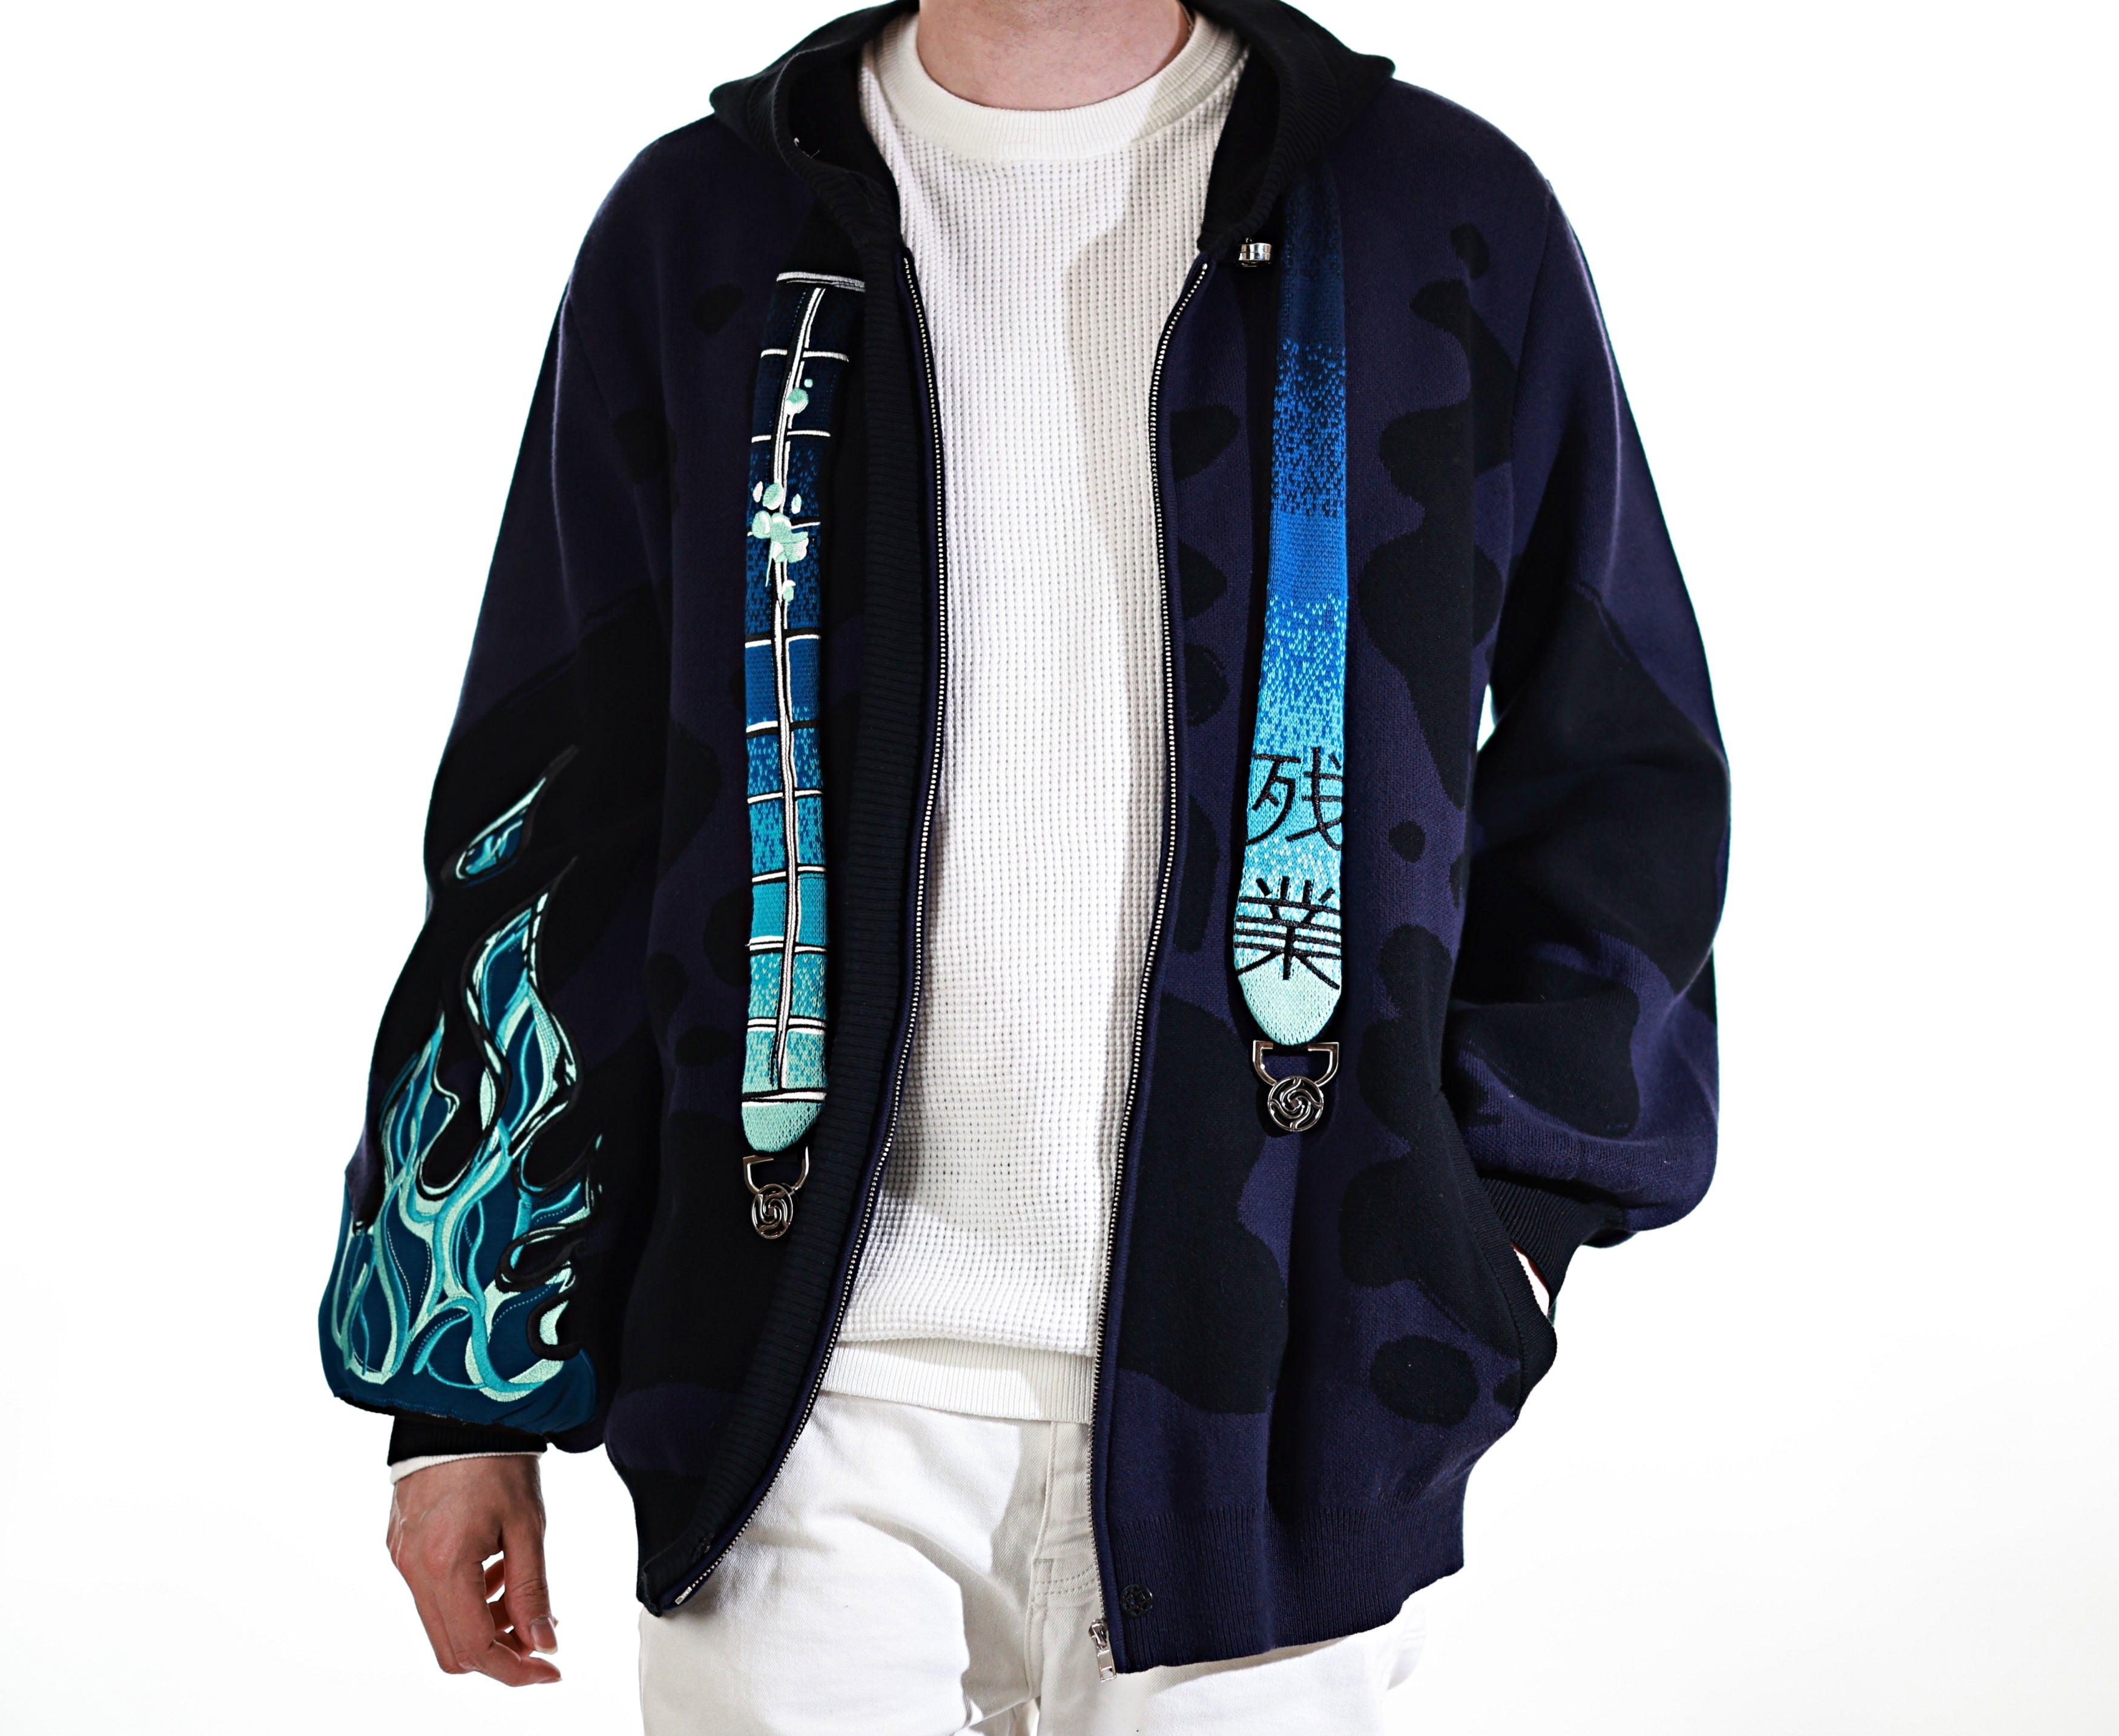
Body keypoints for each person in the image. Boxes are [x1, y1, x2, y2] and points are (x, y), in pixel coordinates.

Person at [323, 1, 1728, 1729]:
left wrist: (1500, 1230)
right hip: (787, 1408)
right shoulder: (706, 222)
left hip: (1279, 1405)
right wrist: (460, 1375)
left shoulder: (1433, 207)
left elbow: (1622, 760)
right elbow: (555, 806)